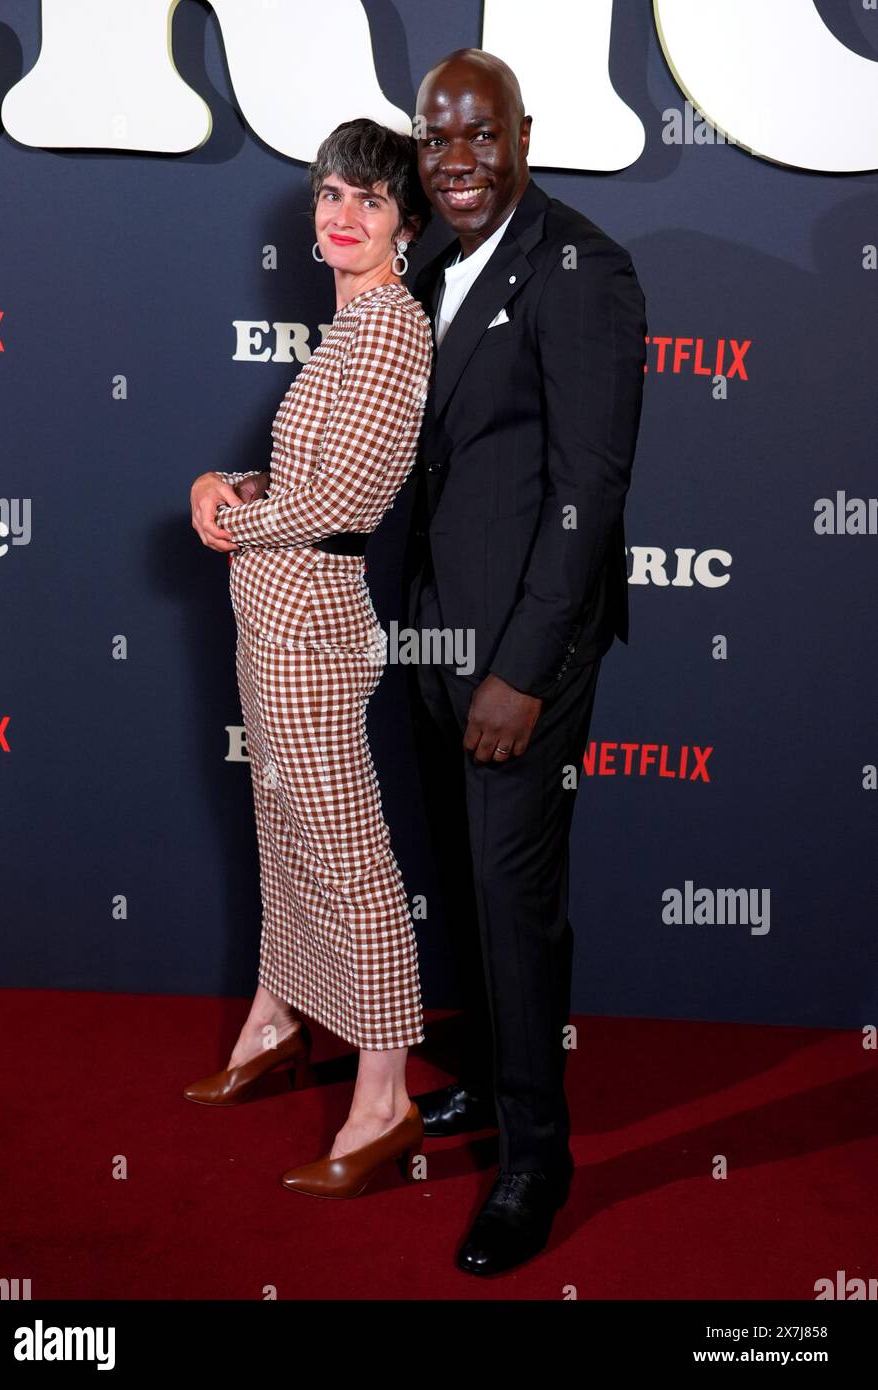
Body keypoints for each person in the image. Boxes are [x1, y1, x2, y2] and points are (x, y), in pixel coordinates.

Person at [402, 50, 647, 1272]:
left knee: (512, 899)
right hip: (436, 634)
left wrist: (522, 668)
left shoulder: (581, 269)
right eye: (435, 138)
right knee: (463, 878)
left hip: (519, 654)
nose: (455, 160)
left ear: (523, 136)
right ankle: (493, 1090)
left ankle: (536, 1159)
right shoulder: (435, 267)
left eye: (477, 137)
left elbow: (586, 488)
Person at [187, 118, 434, 1199]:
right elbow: (305, 478)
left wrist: (231, 522)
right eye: (331, 193)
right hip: (272, 609)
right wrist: (230, 486)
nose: (341, 215)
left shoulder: (389, 330)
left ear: (405, 227)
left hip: (310, 624)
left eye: (369, 201)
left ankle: (383, 1098)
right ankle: (275, 1018)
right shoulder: (345, 330)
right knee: (280, 830)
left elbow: (346, 501)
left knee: (347, 856)